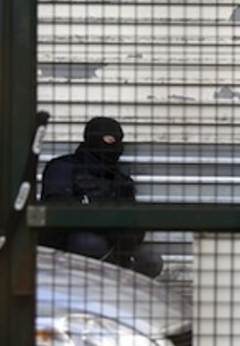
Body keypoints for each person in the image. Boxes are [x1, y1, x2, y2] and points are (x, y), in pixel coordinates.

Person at [39, 116, 164, 279]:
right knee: (88, 243)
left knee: (150, 259)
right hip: (68, 246)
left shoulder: (120, 179)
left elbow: (133, 220)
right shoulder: (63, 167)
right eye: (109, 140)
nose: (116, 147)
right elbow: (57, 207)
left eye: (119, 141)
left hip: (114, 245)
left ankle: (122, 290)